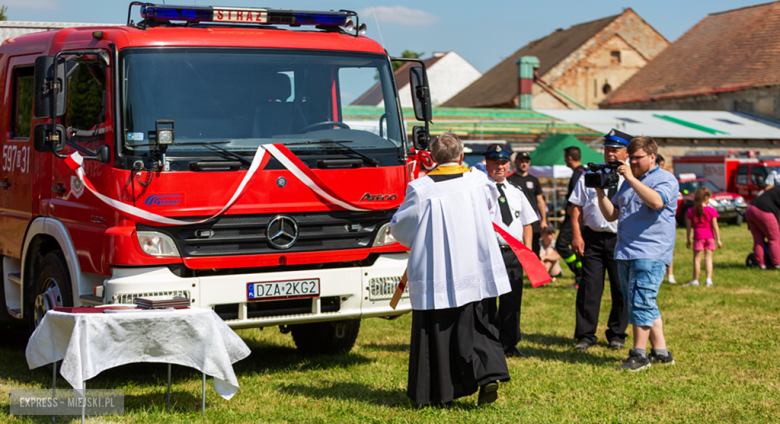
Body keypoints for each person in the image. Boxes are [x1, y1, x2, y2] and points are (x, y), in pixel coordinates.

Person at [390, 132, 511, 407]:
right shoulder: (479, 181)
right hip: (476, 267)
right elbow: (490, 209)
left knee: (439, 331)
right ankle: (488, 373)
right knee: (480, 324)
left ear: (431, 157)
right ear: (461, 156)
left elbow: (402, 227)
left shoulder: (421, 188)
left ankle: (439, 392)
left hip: (439, 270)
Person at [596, 136, 678, 371]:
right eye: (629, 158)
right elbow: (612, 214)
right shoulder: (627, 182)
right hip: (626, 250)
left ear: (652, 157)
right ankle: (661, 352)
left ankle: (639, 355)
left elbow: (657, 203)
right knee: (641, 301)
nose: (632, 162)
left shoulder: (665, 179)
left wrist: (630, 178)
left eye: (637, 158)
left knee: (640, 302)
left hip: (650, 251)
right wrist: (600, 192)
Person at [569, 129, 629, 351]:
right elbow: (576, 207)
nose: (610, 154)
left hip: (620, 238)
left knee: (620, 288)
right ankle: (585, 335)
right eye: (607, 150)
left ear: (626, 152)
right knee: (589, 286)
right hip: (592, 237)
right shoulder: (590, 175)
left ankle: (617, 334)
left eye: (615, 150)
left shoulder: (631, 177)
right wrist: (576, 234)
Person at [483, 144, 538, 358]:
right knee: (487, 300)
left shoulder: (516, 191)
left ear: (510, 164)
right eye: (494, 162)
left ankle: (510, 345)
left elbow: (527, 222)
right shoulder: (479, 190)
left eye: (503, 162)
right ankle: (488, 343)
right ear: (486, 163)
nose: (499, 166)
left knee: (512, 300)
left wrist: (528, 252)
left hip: (513, 253)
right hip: (488, 252)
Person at [508, 151, 548, 257]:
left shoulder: (533, 180)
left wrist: (544, 220)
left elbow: (540, 200)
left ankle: (534, 272)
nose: (524, 164)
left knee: (534, 247)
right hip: (515, 218)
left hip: (531, 220)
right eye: (521, 161)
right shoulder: (509, 180)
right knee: (514, 247)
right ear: (515, 162)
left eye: (526, 161)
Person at [557, 146, 585, 289]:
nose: (564, 160)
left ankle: (580, 273)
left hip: (574, 217)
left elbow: (576, 200)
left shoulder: (577, 174)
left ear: (569, 157)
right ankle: (580, 277)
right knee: (579, 250)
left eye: (564, 157)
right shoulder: (582, 172)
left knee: (561, 244)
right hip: (580, 217)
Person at [684, 186, 723, 287]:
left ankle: (695, 280)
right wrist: (718, 239)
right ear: (706, 198)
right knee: (708, 259)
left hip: (698, 238)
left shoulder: (690, 211)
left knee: (697, 260)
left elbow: (688, 227)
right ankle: (708, 280)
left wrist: (688, 239)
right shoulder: (711, 210)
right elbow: (715, 226)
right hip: (710, 237)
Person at [745, 184, 780, 269]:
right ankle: (777, 264)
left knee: (758, 240)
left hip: (750, 208)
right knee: (774, 238)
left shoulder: (776, 189)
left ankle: (761, 264)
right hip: (764, 210)